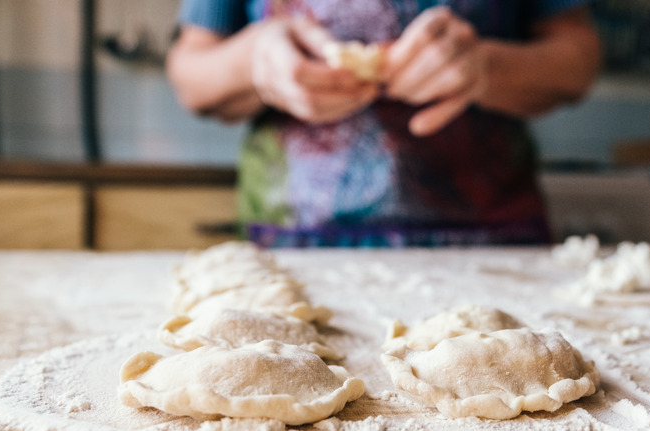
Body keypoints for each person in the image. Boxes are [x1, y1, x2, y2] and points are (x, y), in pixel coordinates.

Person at [167, 1, 602, 247]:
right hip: (292, 242)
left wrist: (487, 66)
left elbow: (578, 59)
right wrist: (254, 58)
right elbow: (191, 75)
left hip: (494, 242)